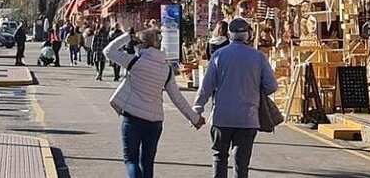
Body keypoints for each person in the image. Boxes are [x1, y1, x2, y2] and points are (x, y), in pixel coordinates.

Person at [104, 29, 205, 178]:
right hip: (155, 121)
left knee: (131, 160)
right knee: (147, 162)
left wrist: (127, 37)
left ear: (141, 44)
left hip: (132, 117)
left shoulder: (134, 62)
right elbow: (177, 98)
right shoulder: (167, 70)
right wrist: (194, 118)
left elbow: (108, 51)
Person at [193, 18, 278, 178]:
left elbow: (206, 86)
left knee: (219, 157)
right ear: (248, 35)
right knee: (241, 163)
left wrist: (197, 109)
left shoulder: (218, 55)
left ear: (229, 35)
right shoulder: (258, 57)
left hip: (221, 118)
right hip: (247, 118)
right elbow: (271, 86)